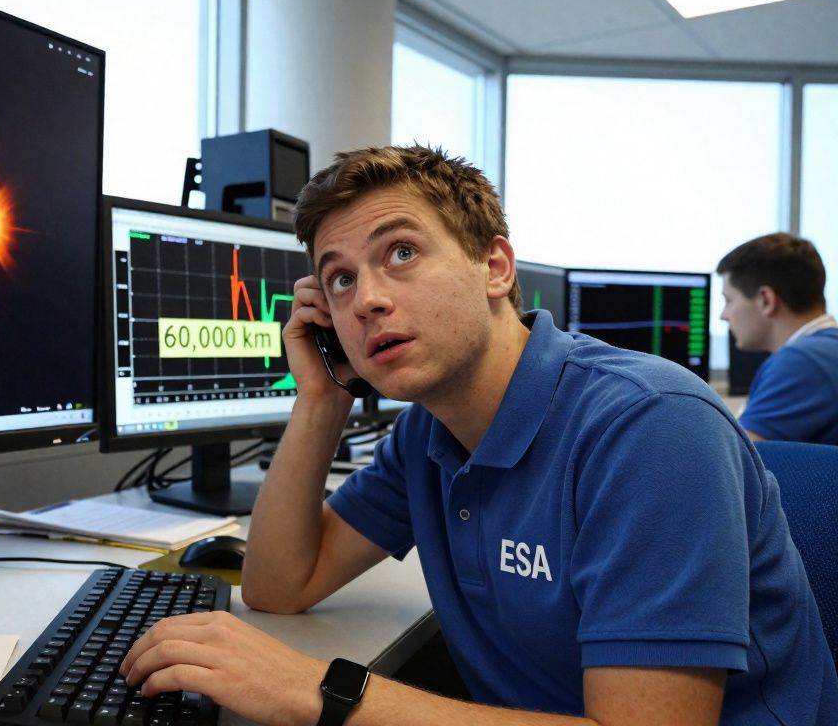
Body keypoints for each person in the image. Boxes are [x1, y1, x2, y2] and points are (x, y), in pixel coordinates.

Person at [120, 145, 838, 725]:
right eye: (337, 279)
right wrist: (321, 399)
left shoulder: (650, 428)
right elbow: (280, 585)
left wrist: (319, 691)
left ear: (495, 267)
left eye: (400, 252)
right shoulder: (428, 434)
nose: (366, 297)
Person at [717, 233, 838, 444]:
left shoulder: (802, 362)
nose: (723, 315)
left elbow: (734, 462)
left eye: (729, 300)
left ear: (766, 300)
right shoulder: (825, 351)